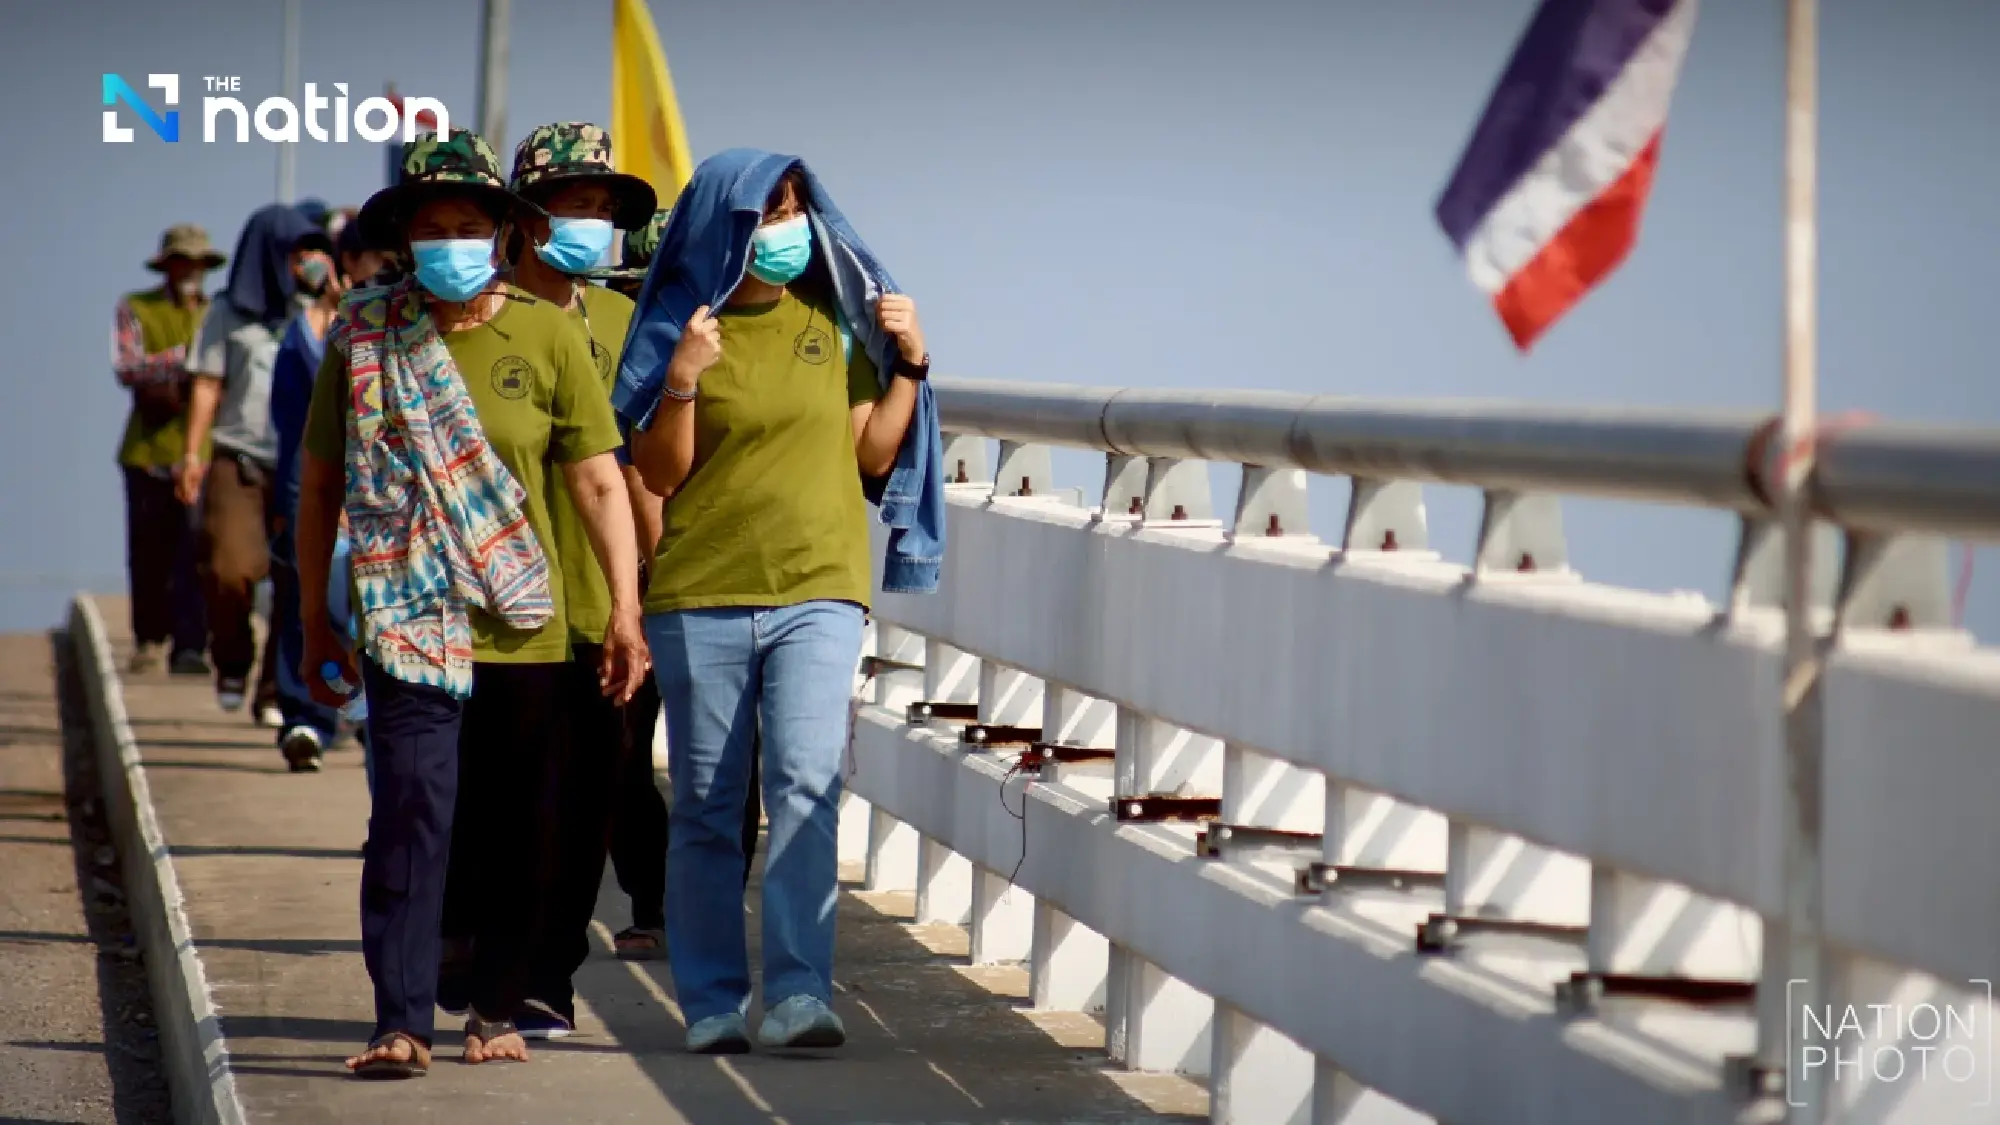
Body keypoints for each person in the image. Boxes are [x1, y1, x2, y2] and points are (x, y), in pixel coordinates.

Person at [294, 129, 645, 1077]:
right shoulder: (365, 334)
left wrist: (623, 610)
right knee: (411, 814)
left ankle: (495, 1002)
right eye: (432, 225)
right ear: (406, 234)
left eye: (469, 224)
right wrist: (314, 616)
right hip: (406, 619)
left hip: (522, 628)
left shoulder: (546, 331)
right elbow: (320, 484)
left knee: (518, 825)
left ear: (500, 230)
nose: (450, 239)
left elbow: (601, 482)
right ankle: (401, 1020)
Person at [618, 149, 943, 1054]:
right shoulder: (681, 327)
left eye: (796, 208)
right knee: (710, 804)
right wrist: (682, 373)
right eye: (766, 214)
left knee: (806, 784)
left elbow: (871, 454)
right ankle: (714, 1001)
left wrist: (912, 362)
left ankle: (800, 993)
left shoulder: (831, 320)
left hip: (819, 589)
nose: (786, 229)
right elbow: (657, 470)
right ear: (728, 227)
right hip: (703, 593)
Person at [588, 208, 766, 962]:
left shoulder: (743, 347)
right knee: (623, 751)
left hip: (727, 582)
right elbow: (631, 478)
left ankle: (711, 902)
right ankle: (654, 901)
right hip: (641, 586)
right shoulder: (628, 353)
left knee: (732, 757)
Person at [181, 204, 330, 723]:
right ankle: (231, 660)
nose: (301, 263)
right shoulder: (226, 312)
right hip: (237, 458)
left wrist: (329, 293)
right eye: (293, 253)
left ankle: (275, 691)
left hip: (302, 462)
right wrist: (191, 455)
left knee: (295, 577)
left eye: (308, 252)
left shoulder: (314, 309)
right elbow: (206, 384)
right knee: (230, 568)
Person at [267, 216, 385, 771]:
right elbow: (287, 422)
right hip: (310, 486)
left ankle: (364, 714)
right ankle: (308, 718)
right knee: (311, 606)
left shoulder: (394, 329)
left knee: (364, 617)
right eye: (372, 267)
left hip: (378, 498)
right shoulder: (303, 333)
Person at [115, 224, 223, 675]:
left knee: (197, 551)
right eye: (182, 261)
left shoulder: (218, 312)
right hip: (148, 452)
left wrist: (183, 365)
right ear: (167, 264)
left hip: (204, 450)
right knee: (148, 551)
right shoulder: (136, 307)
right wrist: (190, 359)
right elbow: (128, 366)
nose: (189, 270)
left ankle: (191, 646)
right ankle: (149, 639)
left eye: (196, 262)